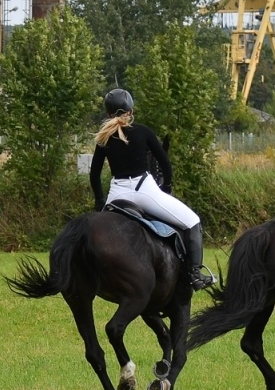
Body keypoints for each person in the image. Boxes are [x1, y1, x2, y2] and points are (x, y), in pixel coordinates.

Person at [89, 88, 213, 290]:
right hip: (144, 191)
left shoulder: (104, 138)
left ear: (108, 114)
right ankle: (195, 274)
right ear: (131, 111)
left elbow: (94, 174)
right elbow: (165, 163)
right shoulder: (143, 131)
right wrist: (167, 186)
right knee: (192, 221)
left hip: (117, 194)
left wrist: (100, 200)